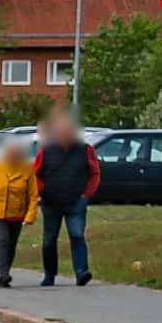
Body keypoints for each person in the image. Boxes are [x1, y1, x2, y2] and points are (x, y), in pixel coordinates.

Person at [33, 110, 100, 287]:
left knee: (77, 235)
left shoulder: (85, 150)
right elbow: (35, 174)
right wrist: (42, 190)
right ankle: (49, 274)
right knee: (49, 240)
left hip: (76, 201)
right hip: (51, 202)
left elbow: (94, 173)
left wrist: (86, 194)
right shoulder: (46, 151)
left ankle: (81, 272)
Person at [0, 134, 39, 287]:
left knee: (11, 245)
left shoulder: (27, 169)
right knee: (2, 240)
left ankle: (5, 273)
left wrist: (30, 215)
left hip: (17, 214)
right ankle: (3, 274)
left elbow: (33, 195)